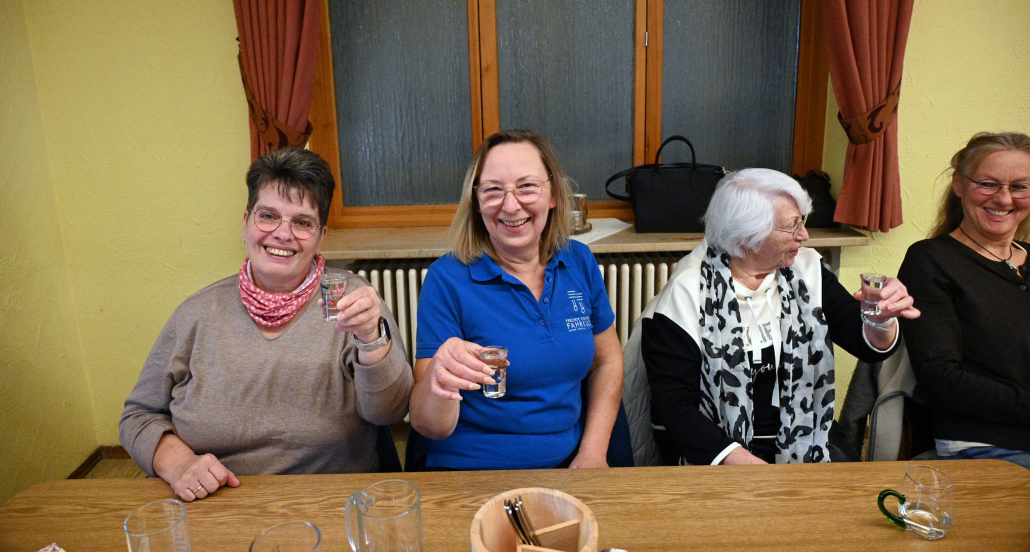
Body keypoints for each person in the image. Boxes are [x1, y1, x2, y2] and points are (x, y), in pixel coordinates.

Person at [120, 148, 413, 500]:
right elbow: (138, 416)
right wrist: (179, 463)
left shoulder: (352, 302)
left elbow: (390, 412)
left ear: (321, 237)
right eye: (268, 216)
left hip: (330, 499)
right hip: (214, 501)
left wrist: (371, 339)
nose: (282, 233)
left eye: (302, 222)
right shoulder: (196, 314)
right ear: (245, 223)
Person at [641, 168, 919, 465]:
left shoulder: (806, 270)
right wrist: (759, 472)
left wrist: (881, 318)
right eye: (792, 227)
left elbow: (865, 344)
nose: (805, 236)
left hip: (808, 430)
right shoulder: (686, 296)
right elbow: (675, 410)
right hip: (721, 449)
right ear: (748, 237)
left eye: (803, 221)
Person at [409, 130, 623, 470]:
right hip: (471, 470)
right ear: (476, 203)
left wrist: (593, 452)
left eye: (527, 186)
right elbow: (429, 426)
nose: (510, 206)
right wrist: (439, 374)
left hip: (568, 465)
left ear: (553, 195)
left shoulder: (579, 261)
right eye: (493, 190)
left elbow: (606, 362)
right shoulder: (447, 279)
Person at [898, 131, 1030, 469]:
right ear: (958, 184)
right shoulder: (930, 261)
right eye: (988, 184)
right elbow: (941, 380)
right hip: (988, 444)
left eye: (1020, 187)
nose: (1004, 198)